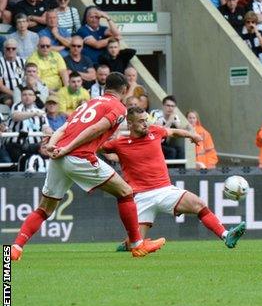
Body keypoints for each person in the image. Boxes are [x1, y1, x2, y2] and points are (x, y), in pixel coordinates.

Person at [9, 73, 166, 261]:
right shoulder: (118, 107)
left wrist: (53, 143)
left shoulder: (89, 103)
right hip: (78, 156)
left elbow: (64, 128)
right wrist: (67, 148)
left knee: (45, 208)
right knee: (125, 192)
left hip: (59, 157)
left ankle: (16, 248)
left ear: (105, 86)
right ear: (124, 90)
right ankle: (137, 245)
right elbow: (95, 129)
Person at [104, 106, 245, 251]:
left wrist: (191, 135)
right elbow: (98, 148)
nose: (145, 124)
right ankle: (126, 245)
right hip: (140, 197)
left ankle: (226, 235)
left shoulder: (155, 131)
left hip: (165, 190)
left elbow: (174, 132)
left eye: (146, 120)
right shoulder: (119, 144)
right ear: (130, 124)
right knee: (134, 244)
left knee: (198, 204)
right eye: (141, 121)